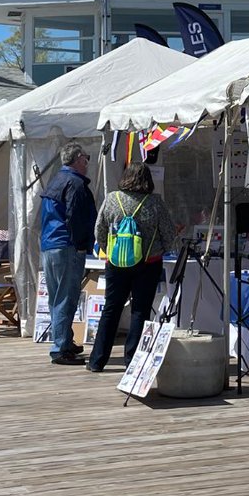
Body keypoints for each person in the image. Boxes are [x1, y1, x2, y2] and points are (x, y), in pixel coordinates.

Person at [88, 161, 177, 373]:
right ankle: (132, 361)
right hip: (148, 263)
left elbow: (99, 230)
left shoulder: (112, 199)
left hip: (116, 263)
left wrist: (110, 250)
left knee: (111, 308)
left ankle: (97, 360)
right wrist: (160, 249)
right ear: (148, 180)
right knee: (140, 311)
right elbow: (169, 235)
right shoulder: (155, 202)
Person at [40, 141, 97, 366]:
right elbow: (76, 217)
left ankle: (64, 341)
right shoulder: (75, 183)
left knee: (57, 297)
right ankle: (61, 348)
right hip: (66, 245)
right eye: (86, 158)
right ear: (77, 159)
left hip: (50, 244)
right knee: (66, 297)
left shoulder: (56, 180)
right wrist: (83, 243)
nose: (87, 162)